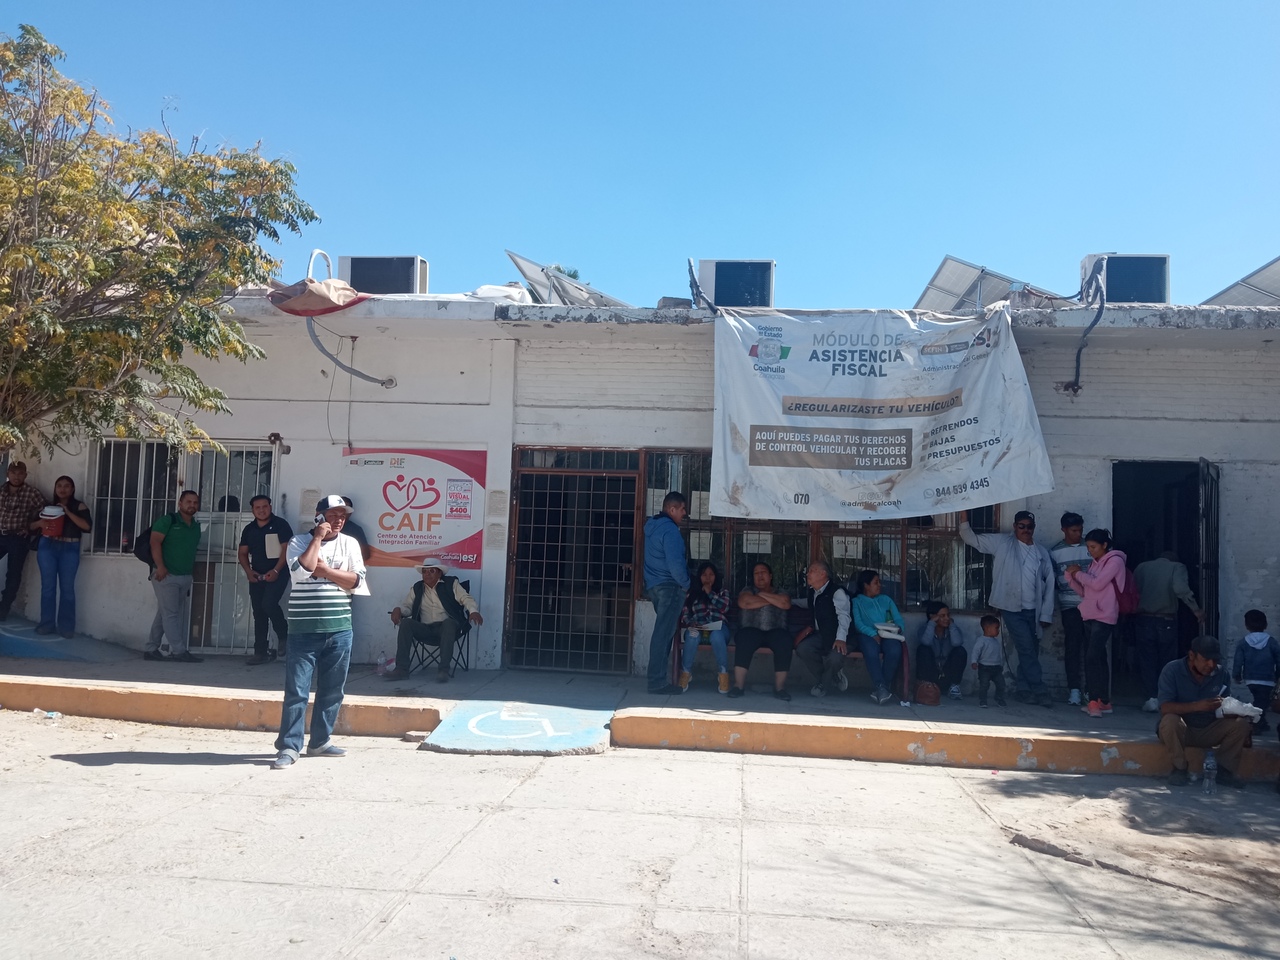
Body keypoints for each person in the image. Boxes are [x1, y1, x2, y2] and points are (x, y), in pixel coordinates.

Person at [272, 495, 368, 770]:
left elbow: (357, 581)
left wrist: (324, 571)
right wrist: (317, 538)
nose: (338, 520)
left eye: (342, 516)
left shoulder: (350, 543)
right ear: (319, 516)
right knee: (297, 691)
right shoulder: (298, 542)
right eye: (332, 515)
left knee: (333, 690)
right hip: (303, 630)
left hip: (340, 630)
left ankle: (320, 742)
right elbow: (301, 571)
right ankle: (289, 747)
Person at [958, 509, 1055, 707]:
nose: (1026, 530)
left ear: (1034, 528)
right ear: (1014, 527)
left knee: (1030, 650)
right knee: (1026, 647)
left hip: (1034, 610)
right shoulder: (1003, 543)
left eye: (1029, 526)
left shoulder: (1041, 552)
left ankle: (1023, 690)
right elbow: (970, 539)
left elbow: (1050, 583)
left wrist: (1046, 614)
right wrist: (963, 512)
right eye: (1022, 526)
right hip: (1011, 609)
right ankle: (1040, 690)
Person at [1157, 634, 1251, 788]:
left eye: (1215, 660)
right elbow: (1165, 708)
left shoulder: (1221, 674)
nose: (1211, 664)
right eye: (1206, 659)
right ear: (1191, 656)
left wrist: (1239, 711)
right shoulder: (1172, 670)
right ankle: (1179, 768)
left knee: (1241, 724)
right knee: (1169, 721)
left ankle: (1225, 770)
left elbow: (1226, 705)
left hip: (1210, 728)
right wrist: (1197, 706)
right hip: (1182, 730)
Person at [384, 558, 482, 683]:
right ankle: (401, 670)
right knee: (406, 623)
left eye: (432, 571)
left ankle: (443, 670)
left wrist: (473, 611)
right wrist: (398, 610)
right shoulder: (417, 587)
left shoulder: (451, 583)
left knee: (449, 623)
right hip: (425, 629)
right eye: (424, 571)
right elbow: (408, 607)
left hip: (446, 629)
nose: (427, 574)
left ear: (439, 573)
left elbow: (466, 598)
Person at [1066, 528, 1128, 719]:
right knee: (1099, 657)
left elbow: (1098, 584)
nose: (1090, 551)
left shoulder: (1115, 561)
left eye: (1093, 547)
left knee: (1092, 657)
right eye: (1088, 547)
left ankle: (1093, 701)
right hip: (1089, 614)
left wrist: (1078, 574)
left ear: (1105, 545)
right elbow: (1086, 591)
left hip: (1105, 615)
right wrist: (1070, 577)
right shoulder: (1094, 564)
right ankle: (1104, 701)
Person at [1134, 551, 1205, 712]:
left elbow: (1132, 589)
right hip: (1166, 620)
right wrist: (1196, 610)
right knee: (1167, 661)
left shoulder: (1142, 568)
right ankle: (1164, 697)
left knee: (1146, 660)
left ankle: (1151, 697)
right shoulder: (1177, 567)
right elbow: (1180, 589)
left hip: (1143, 618)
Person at [143, 490, 203, 663]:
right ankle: (178, 651)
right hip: (166, 576)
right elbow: (154, 542)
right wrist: (160, 566)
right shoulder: (167, 521)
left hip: (184, 576)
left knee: (164, 613)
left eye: (195, 502)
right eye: (188, 502)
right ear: (180, 503)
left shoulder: (195, 526)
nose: (192, 505)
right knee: (171, 615)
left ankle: (151, 648)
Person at [643, 491, 690, 695]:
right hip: (670, 587)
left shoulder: (652, 527)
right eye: (682, 509)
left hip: (654, 586)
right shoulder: (670, 531)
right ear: (672, 509)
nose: (684, 513)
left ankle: (658, 679)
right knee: (663, 634)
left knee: (662, 632)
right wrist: (687, 585)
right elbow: (676, 565)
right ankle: (657, 682)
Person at [238, 494, 293, 665]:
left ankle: (283, 635)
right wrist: (249, 572)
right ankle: (260, 652)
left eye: (265, 506)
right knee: (259, 612)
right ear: (252, 510)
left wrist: (276, 570)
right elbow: (242, 553)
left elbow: (287, 550)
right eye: (258, 507)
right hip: (257, 575)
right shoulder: (249, 529)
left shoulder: (280, 525)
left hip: (279, 573)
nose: (261, 510)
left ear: (270, 506)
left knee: (268, 604)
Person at [35, 476, 92, 637]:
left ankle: (66, 627)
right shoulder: (47, 506)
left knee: (67, 589)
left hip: (70, 548)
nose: (62, 489)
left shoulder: (79, 506)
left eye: (67, 486)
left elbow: (87, 527)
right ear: (55, 489)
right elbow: (31, 525)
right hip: (48, 546)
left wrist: (67, 512)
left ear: (72, 489)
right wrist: (40, 523)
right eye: (59, 486)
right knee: (48, 587)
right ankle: (46, 624)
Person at [728, 561, 793, 701]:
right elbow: (745, 602)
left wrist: (761, 595)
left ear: (770, 575)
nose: (760, 576)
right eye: (756, 573)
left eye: (763, 572)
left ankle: (780, 688)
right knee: (744, 638)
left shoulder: (780, 591)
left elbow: (785, 603)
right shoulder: (747, 590)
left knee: (785, 640)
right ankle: (738, 686)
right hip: (750, 630)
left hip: (776, 631)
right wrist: (773, 600)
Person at [794, 561, 852, 699]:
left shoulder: (837, 592)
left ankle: (823, 684)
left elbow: (844, 616)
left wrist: (841, 638)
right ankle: (832, 678)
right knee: (803, 649)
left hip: (841, 636)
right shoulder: (814, 592)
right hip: (822, 635)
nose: (808, 574)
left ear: (823, 574)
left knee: (835, 658)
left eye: (812, 571)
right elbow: (808, 603)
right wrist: (789, 601)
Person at [1049, 512, 1090, 705]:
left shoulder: (1090, 547)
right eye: (1074, 530)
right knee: (1072, 647)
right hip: (1068, 606)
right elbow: (1052, 581)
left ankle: (1090, 690)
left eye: (1080, 530)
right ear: (1064, 529)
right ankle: (1074, 690)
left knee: (1092, 649)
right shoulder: (1055, 552)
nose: (1078, 534)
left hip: (1092, 605)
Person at [0, 460, 47, 620]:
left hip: (18, 538)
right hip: (1, 534)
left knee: (13, 574)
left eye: (20, 473)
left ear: (25, 475)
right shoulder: (1, 491)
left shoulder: (32, 493)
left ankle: (4, 608)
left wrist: (33, 525)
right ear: (7, 474)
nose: (16, 476)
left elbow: (46, 510)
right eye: (13, 473)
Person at [851, 569, 906, 705]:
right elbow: (858, 623)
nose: (880, 585)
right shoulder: (857, 602)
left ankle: (882, 687)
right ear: (866, 585)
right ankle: (881, 686)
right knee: (871, 651)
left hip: (889, 634)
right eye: (876, 582)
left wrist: (899, 628)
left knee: (894, 650)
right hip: (867, 634)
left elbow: (898, 619)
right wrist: (873, 634)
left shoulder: (886, 600)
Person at [677, 561, 731, 693]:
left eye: (711, 574)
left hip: (719, 628)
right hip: (699, 628)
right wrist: (691, 623)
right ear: (699, 577)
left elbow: (725, 608)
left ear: (716, 576)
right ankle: (686, 673)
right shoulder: (692, 594)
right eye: (704, 575)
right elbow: (685, 613)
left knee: (717, 636)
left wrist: (710, 593)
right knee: (692, 635)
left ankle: (723, 674)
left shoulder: (723, 592)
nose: (708, 578)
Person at [1232, 609, 1279, 735]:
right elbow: (1279, 660)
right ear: (1265, 624)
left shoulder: (1243, 642)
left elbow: (1238, 661)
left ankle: (1261, 722)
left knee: (1260, 700)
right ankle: (1255, 723)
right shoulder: (1271, 642)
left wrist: (1236, 675)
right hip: (1267, 679)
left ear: (1247, 625)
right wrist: (1278, 675)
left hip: (1250, 679)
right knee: (1262, 702)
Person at [916, 600, 968, 700]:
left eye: (948, 615)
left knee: (960, 651)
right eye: (942, 616)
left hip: (946, 673)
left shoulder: (953, 629)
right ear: (933, 616)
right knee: (923, 649)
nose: (947, 618)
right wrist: (931, 623)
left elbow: (957, 643)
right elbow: (926, 642)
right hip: (931, 673)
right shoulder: (924, 629)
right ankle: (927, 687)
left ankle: (954, 687)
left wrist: (952, 625)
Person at [970, 614, 1007, 708]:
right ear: (987, 628)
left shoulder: (995, 641)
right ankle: (983, 700)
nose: (998, 630)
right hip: (984, 668)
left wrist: (1000, 664)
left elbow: (998, 655)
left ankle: (999, 698)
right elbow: (975, 652)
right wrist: (974, 661)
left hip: (996, 668)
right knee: (984, 685)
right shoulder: (981, 641)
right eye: (996, 628)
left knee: (1001, 684)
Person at [340, 496, 373, 563]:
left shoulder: (355, 530)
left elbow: (365, 555)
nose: (342, 513)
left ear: (350, 513)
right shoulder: (323, 527)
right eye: (340, 509)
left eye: (346, 510)